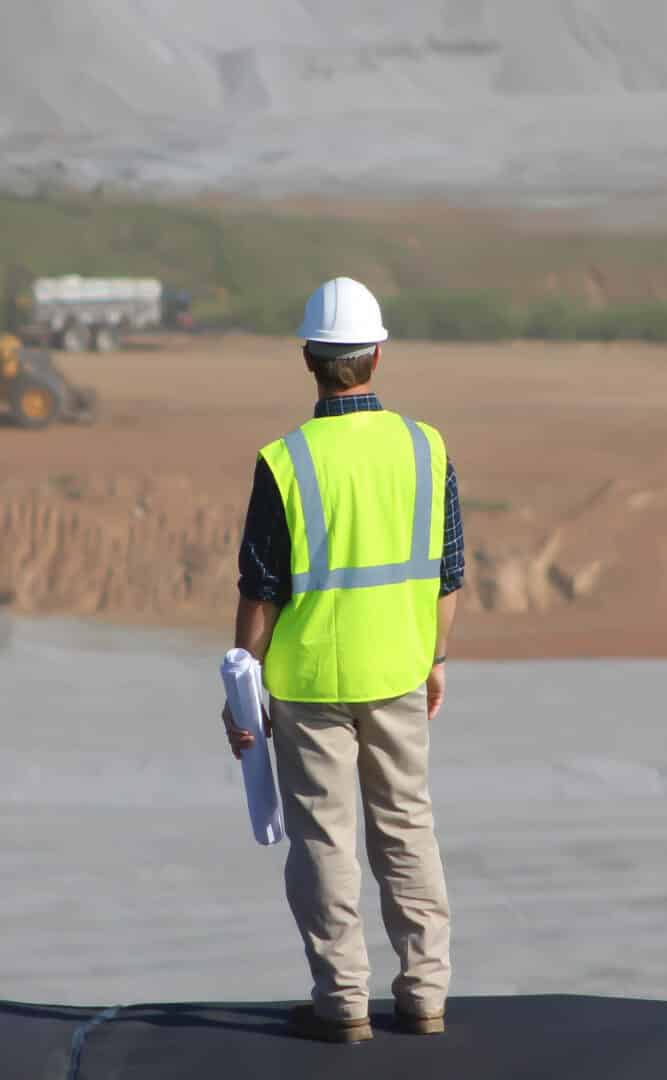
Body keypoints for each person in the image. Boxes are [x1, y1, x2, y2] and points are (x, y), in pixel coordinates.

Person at [223, 277, 464, 1044]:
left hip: (311, 683)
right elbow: (448, 572)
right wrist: (435, 658)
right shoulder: (426, 449)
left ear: (309, 359)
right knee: (407, 830)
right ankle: (425, 997)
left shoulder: (286, 461)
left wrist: (241, 686)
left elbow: (260, 591)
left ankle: (344, 1005)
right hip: (398, 669)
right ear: (377, 356)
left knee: (325, 840)